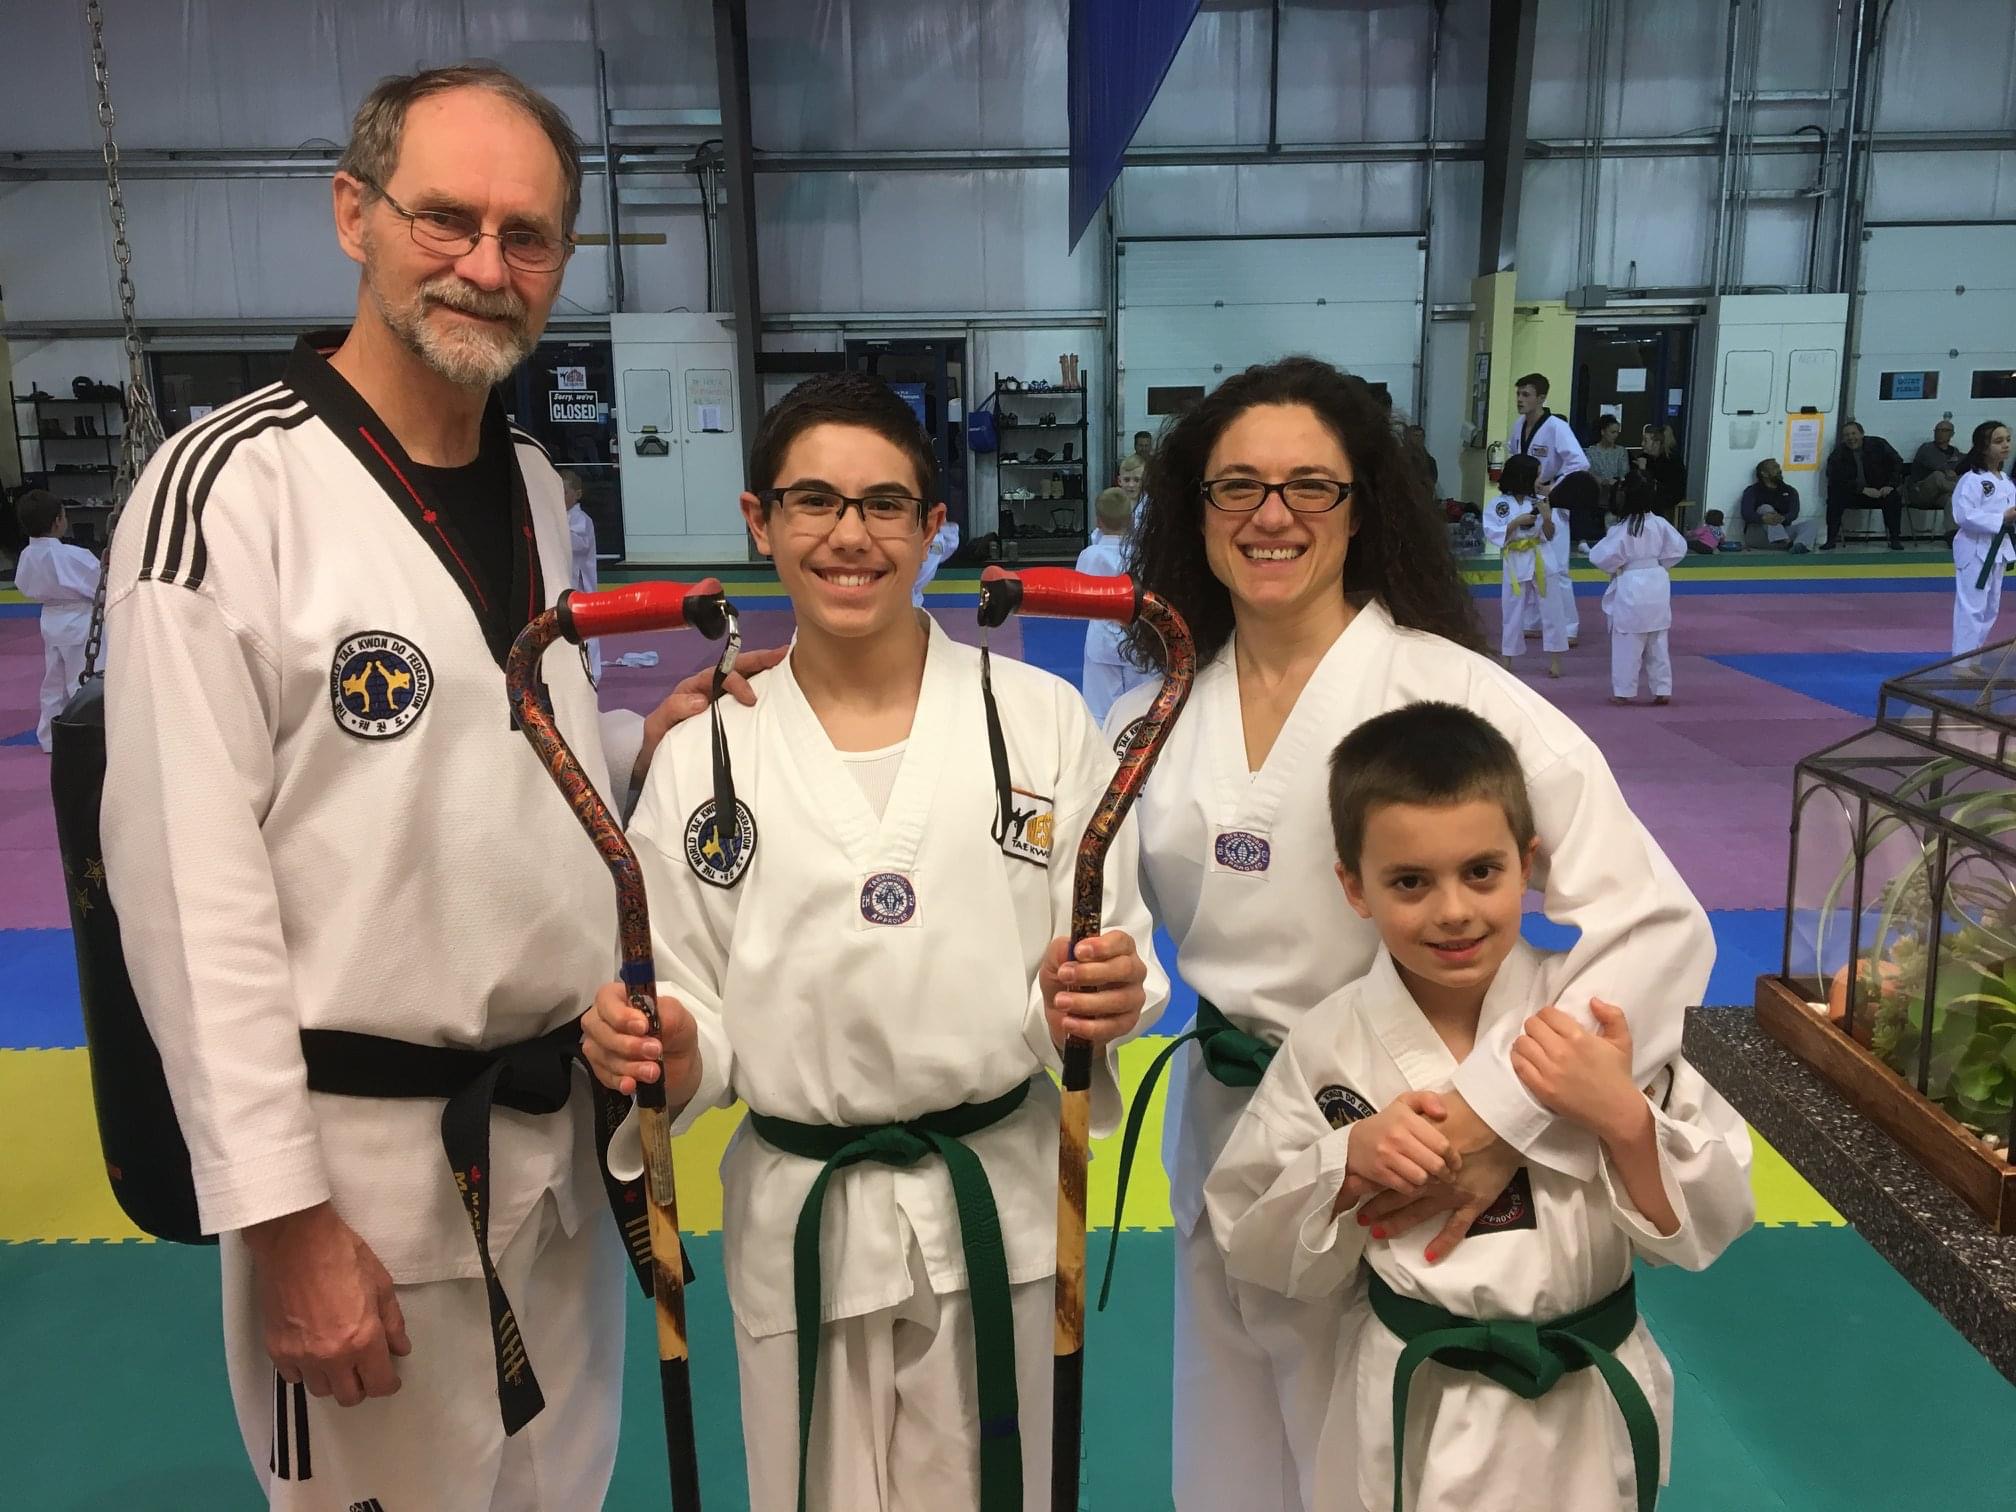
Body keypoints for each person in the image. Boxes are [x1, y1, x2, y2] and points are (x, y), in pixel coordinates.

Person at [97, 64, 780, 1511]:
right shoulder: (227, 488)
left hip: (558, 1136)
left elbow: (483, 762)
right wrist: (280, 1218)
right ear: (355, 213)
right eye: (447, 219)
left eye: (526, 236)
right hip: (360, 1176)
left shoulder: (535, 480)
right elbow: (180, 879)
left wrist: (640, 747)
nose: (487, 265)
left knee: (560, 1494)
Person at [1104, 355, 1712, 1512]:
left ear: (1360, 505)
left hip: (1428, 1131)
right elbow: (1104, 938)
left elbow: (1648, 917)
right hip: (1235, 1120)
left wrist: (1496, 1115)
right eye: (1237, 486)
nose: (1271, 515)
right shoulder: (1150, 714)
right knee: (1231, 1438)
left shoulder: (1453, 693)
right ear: (1195, 510)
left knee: (1393, 1452)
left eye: (1309, 486)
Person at [582, 372, 1167, 1511]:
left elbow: (1109, 946)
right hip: (799, 1215)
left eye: (885, 504)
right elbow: (685, 985)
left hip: (996, 1204)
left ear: (933, 528)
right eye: (814, 502)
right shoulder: (707, 753)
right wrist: (668, 1048)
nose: (850, 536)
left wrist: (1096, 996)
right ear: (761, 520)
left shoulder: (1039, 719)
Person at [1205, 702, 1754, 1512]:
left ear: (1527, 864)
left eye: (1481, 872)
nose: (1454, 910)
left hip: (1581, 1400)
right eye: (1410, 882)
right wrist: (1347, 1162)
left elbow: (1712, 1221)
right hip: (1412, 1398)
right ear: (1354, 888)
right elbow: (1249, 1236)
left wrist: (1622, 1118)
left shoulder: (1594, 1021)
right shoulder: (1329, 1044)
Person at [12, 488, 102, 752]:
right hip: (80, 620)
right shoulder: (73, 556)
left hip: (50, 620)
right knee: (84, 679)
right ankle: (87, 734)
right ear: (58, 521)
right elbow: (100, 586)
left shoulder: (28, 555)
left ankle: (50, 738)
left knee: (53, 682)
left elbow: (23, 585)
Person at [1590, 472, 1689, 706]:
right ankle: (1662, 689)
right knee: (1658, 639)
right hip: (1657, 580)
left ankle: (1623, 691)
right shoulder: (1660, 524)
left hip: (1631, 581)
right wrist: (1658, 563)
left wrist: (1620, 566)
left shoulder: (1623, 528)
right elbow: (1678, 549)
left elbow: (1600, 556)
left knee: (1628, 641)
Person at [1510, 373, 1588, 642]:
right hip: (1527, 502)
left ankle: (1568, 628)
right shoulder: (1518, 425)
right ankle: (1533, 621)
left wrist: (1554, 486)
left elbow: (1579, 463)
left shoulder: (1556, 427)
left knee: (1557, 567)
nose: (1520, 400)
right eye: (1518, 394)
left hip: (1553, 504)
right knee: (1528, 565)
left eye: (1526, 395)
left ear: (1541, 398)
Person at [1480, 454, 1566, 678]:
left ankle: (1555, 659)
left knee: (1552, 609)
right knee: (1512, 610)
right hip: (1515, 557)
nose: (1540, 480)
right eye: (1537, 475)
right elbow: (1491, 532)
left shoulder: (1539, 501)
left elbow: (1550, 534)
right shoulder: (1499, 505)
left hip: (1541, 555)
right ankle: (1508, 657)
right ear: (1523, 477)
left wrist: (1546, 518)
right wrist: (1516, 522)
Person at [1077, 486, 1154, 722]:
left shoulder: (1091, 554)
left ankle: (1103, 750)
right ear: (1132, 520)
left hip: (1101, 640)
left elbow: (1078, 599)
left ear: (1098, 521)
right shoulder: (1141, 554)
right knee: (1140, 702)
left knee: (1100, 708)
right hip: (1136, 637)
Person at [1950, 420, 2015, 657]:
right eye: (1998, 441)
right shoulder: (1972, 480)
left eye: (2008, 439)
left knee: (1990, 608)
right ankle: (1961, 661)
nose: (2006, 445)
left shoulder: (2005, 480)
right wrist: (2002, 517)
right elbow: (1963, 515)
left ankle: (1974, 655)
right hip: (1975, 549)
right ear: (1983, 447)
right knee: (1971, 606)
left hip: (1998, 550)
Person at [1823, 421, 1906, 551]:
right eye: (1847, 435)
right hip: (1855, 493)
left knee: (1893, 498)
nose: (1851, 438)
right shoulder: (1838, 453)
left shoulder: (1879, 444)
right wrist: (1862, 489)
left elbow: (1897, 463)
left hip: (1880, 491)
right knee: (1835, 498)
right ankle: (1831, 539)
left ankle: (1895, 539)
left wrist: (1890, 485)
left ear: (1862, 434)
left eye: (1853, 433)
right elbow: (1835, 477)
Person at [561, 468, 601, 681]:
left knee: (588, 630)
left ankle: (594, 672)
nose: (560, 498)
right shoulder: (560, 517)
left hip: (581, 585)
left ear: (577, 494)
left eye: (565, 493)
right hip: (566, 584)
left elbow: (579, 545)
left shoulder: (580, 519)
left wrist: (557, 528)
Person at [1739, 457, 1819, 552]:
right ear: (1763, 473)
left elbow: (1794, 513)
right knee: (1765, 508)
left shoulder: (1790, 491)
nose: (1779, 470)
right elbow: (1746, 514)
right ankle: (1786, 541)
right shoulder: (1752, 491)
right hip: (1758, 535)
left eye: (1778, 467)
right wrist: (1762, 518)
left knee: (1812, 524)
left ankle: (1799, 546)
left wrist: (1783, 518)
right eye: (1774, 468)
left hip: (1784, 530)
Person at [1908, 419, 1964, 526]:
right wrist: (1948, 472)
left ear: (1952, 434)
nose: (1939, 433)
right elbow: (1937, 466)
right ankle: (1965, 492)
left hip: (1941, 494)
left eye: (1944, 430)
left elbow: (1961, 466)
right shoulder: (1927, 448)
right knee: (1938, 475)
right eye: (1937, 430)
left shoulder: (1955, 452)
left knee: (1952, 500)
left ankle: (1951, 533)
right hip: (1921, 492)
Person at [1633, 425, 1688, 526]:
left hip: (1668, 496)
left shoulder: (1671, 461)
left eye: (1646, 441)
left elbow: (1664, 486)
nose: (1642, 445)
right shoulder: (1645, 457)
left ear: (1656, 443)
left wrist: (1643, 470)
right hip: (1654, 494)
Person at [1586, 415, 1631, 518]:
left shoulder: (1621, 451)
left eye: (1617, 432)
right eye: (1612, 432)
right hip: (1596, 496)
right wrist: (1602, 481)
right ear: (1603, 432)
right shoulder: (1592, 451)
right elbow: (1588, 472)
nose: (1615, 435)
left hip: (1615, 498)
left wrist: (1616, 482)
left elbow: (1624, 473)